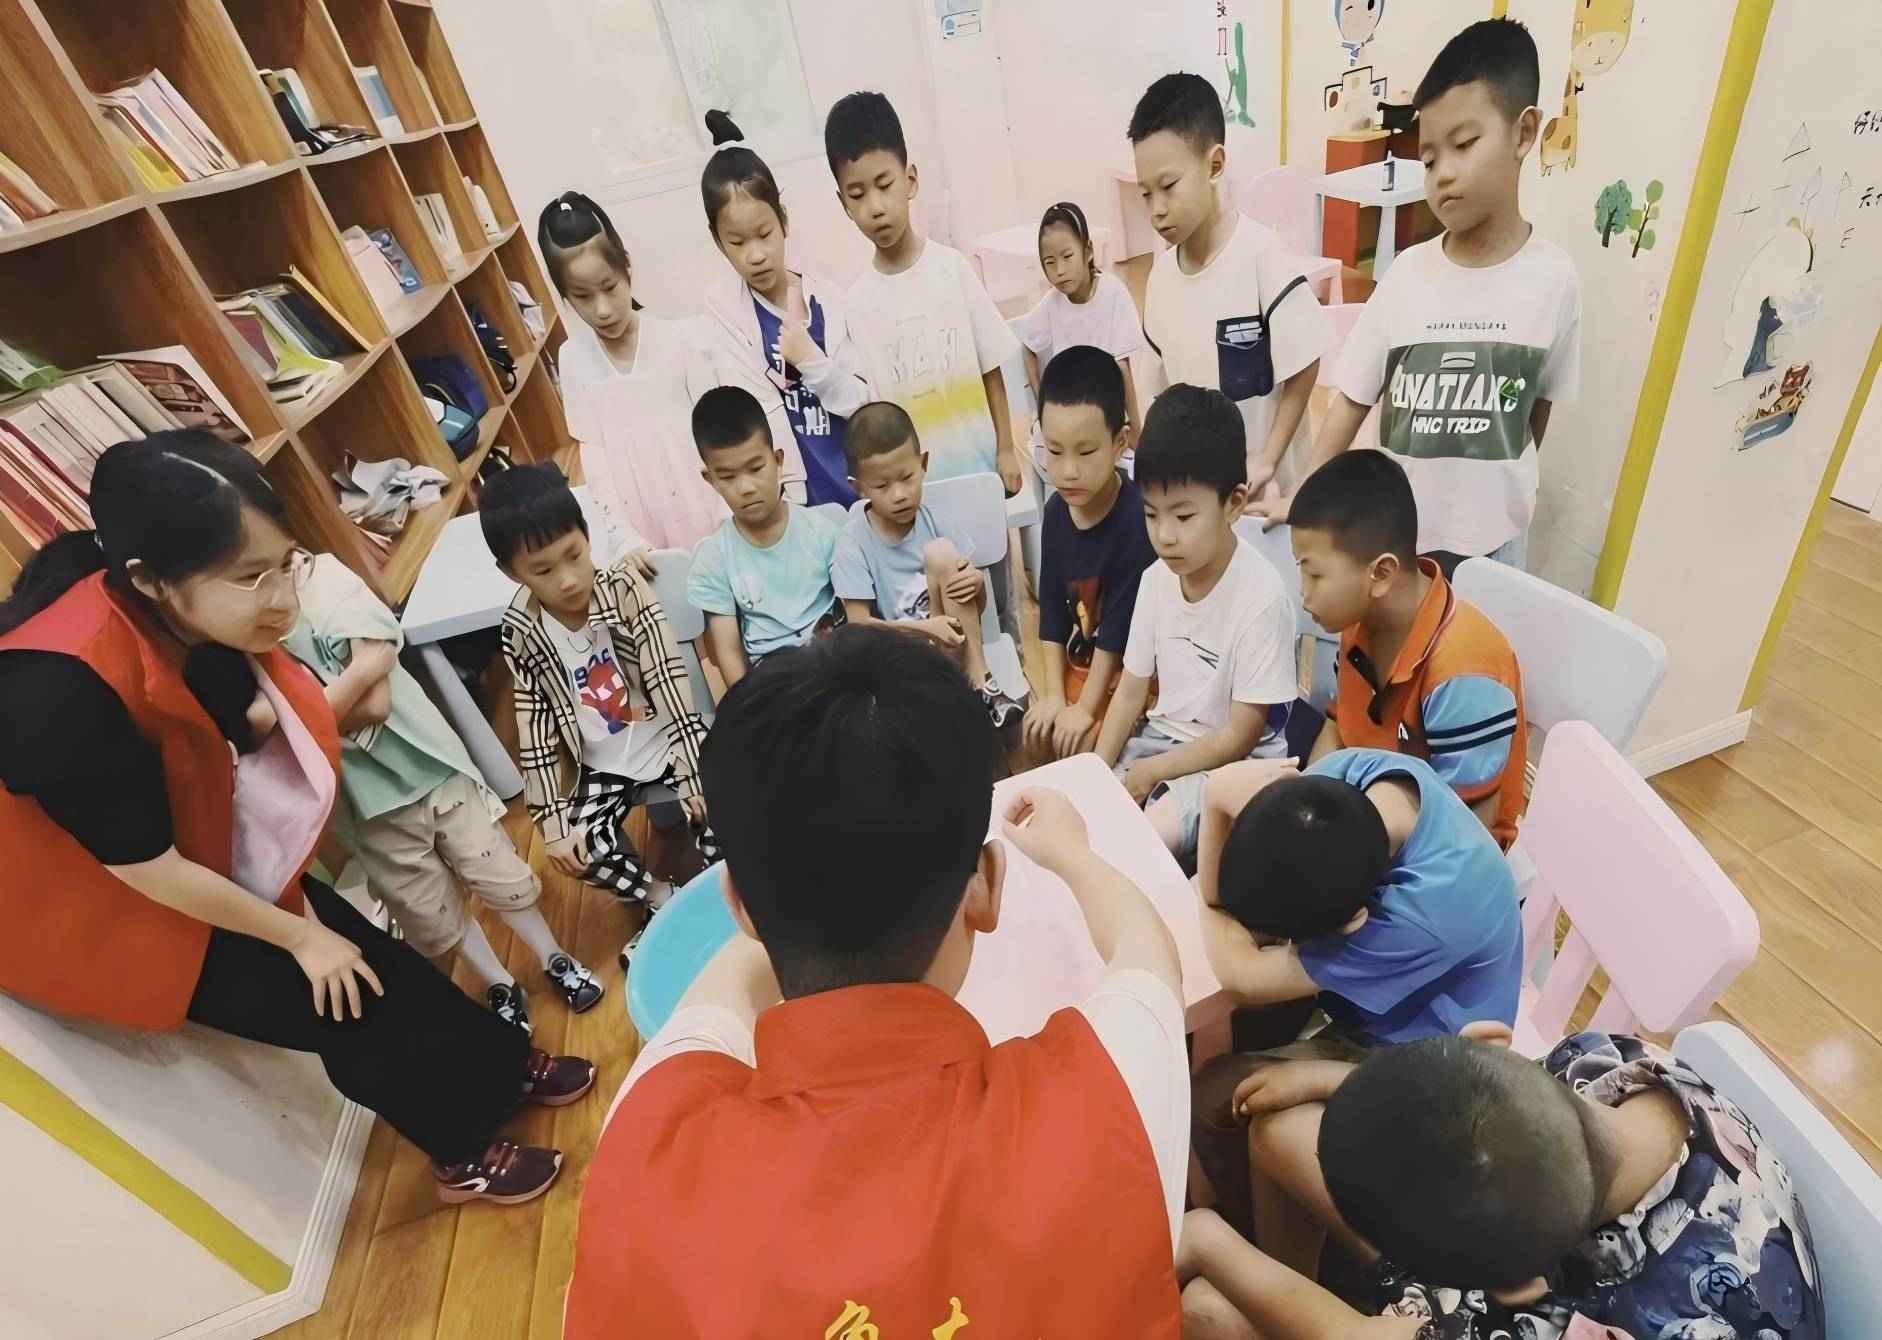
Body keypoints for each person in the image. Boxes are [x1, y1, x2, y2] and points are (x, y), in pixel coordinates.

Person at [0, 432, 593, 1206]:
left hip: (202, 844)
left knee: (378, 961)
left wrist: (309, 924)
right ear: (151, 579)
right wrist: (299, 937)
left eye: (286, 564)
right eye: (253, 577)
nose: (283, 597)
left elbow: (236, 736)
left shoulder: (163, 600)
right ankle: (461, 1154)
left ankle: (498, 1067)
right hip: (109, 909)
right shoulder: (55, 694)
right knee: (342, 1006)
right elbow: (145, 869)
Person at [562, 627, 1192, 1335]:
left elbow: (716, 1002)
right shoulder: (1107, 1105)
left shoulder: (647, 1142)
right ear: (985, 889)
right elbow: (1149, 959)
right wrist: (1073, 854)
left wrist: (783, 891)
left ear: (737, 906)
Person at [1181, 1031, 1825, 1340]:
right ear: (1492, 1044)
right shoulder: (1617, 1065)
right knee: (1278, 1130)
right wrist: (1336, 1079)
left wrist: (1210, 1241)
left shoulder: (1535, 1325)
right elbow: (1483, 1116)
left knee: (1209, 1312)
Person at [1258, 19, 1581, 577]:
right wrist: (1303, 493)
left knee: (1482, 639)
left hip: (1497, 551)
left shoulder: (1554, 281)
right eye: (1429, 159)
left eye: (1464, 145)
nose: (1443, 174)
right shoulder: (1407, 276)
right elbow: (1351, 399)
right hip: (1402, 545)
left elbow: (1537, 411)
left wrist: (1499, 490)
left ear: (1524, 132)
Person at [1187, 748, 1521, 1281]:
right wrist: (1216, 801)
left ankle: (1295, 1278)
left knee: (1227, 1098)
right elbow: (1239, 938)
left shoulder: (1420, 918)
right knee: (1216, 1086)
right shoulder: (1342, 786)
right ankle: (1261, 1226)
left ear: (1354, 922)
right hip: (1373, 1015)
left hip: (1433, 1075)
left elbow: (1245, 976)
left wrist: (1216, 808)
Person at [281, 552, 604, 1034]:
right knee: (430, 909)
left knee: (496, 870)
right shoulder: (242, 655)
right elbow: (277, 725)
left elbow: (373, 698)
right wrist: (351, 681)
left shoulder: (322, 578)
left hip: (431, 767)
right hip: (364, 806)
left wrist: (314, 712)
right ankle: (500, 982)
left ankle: (553, 956)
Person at [481, 462, 716, 912]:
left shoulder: (623, 588)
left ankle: (725, 882)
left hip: (665, 737)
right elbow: (535, 727)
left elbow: (666, 676)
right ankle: (660, 898)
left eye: (574, 555)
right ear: (511, 573)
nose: (568, 579)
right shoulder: (521, 630)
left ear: (587, 535)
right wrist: (551, 820)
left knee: (724, 794)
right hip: (599, 767)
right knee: (574, 850)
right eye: (543, 570)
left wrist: (691, 769)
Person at [1093, 385, 1297, 870]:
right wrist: (1096, 773)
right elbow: (1129, 692)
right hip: (1162, 744)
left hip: (1238, 764)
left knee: (1147, 837)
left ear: (1234, 503)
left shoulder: (1261, 596)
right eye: (1151, 514)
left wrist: (1152, 772)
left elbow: (1240, 736)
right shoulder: (1155, 580)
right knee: (1092, 817)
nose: (1164, 535)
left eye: (1184, 516)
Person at [538, 190, 802, 553]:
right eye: (583, 296)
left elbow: (720, 435)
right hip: (640, 531)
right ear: (564, 294)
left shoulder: (683, 339)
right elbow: (594, 458)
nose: (602, 309)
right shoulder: (573, 360)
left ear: (626, 266)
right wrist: (622, 537)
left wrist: (727, 517)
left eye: (609, 287)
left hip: (709, 515)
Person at [1290, 450, 1527, 848]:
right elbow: (1339, 728)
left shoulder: (1463, 670)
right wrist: (1302, 811)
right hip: (1370, 805)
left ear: (1381, 573)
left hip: (1444, 850)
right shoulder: (1359, 621)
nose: (1304, 593)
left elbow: (1466, 834)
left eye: (1314, 574)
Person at [1132, 72, 1329, 505]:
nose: (1156, 209)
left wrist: (1268, 459)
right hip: (1203, 501)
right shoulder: (1160, 280)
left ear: (1215, 165)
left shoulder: (1261, 255)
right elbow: (1158, 392)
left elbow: (1305, 363)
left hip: (1269, 500)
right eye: (1145, 194)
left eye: (1168, 186)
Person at [825, 91, 1023, 497]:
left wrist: (1006, 448)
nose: (875, 207)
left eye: (884, 185)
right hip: (912, 495)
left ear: (910, 180)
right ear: (843, 203)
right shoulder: (857, 304)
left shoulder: (951, 269)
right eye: (857, 195)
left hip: (980, 472)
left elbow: (990, 366)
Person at [831, 401, 1023, 727]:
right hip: (900, 661)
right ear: (858, 487)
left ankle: (981, 682)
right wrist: (925, 628)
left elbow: (975, 608)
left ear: (923, 465)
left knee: (942, 552)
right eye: (882, 486)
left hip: (955, 648)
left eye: (907, 478)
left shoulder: (936, 520)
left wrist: (977, 586)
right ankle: (966, 692)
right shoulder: (852, 541)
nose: (899, 495)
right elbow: (858, 625)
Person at [699, 143, 870, 509]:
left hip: (863, 490)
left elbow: (863, 402)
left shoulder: (829, 300)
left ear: (784, 222)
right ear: (718, 241)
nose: (756, 255)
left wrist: (810, 359)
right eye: (737, 242)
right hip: (799, 506)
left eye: (764, 234)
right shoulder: (729, 317)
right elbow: (758, 416)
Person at [1022, 345, 1156, 762]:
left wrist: (1083, 709)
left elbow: (1116, 633)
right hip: (1081, 665)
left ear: (1119, 443)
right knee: (1035, 733)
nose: (1067, 471)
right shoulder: (1055, 512)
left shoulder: (1136, 521)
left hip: (1130, 675)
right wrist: (1052, 696)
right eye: (1054, 451)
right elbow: (1051, 616)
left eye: (1085, 452)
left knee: (1078, 746)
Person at [685, 385, 844, 690]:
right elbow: (729, 654)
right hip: (772, 690)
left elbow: (857, 622)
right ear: (710, 479)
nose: (746, 488)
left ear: (778, 460)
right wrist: (752, 709)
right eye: (728, 477)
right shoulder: (714, 560)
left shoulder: (823, 533)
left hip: (835, 677)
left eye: (756, 468)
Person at [1015, 201, 1145, 445]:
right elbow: (1027, 345)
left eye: (1067, 257)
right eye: (1049, 262)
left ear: (1088, 251)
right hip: (1068, 413)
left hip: (1106, 413)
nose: (1059, 270)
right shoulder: (1052, 302)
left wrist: (1137, 430)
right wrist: (1041, 402)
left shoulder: (1113, 293)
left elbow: (1122, 367)